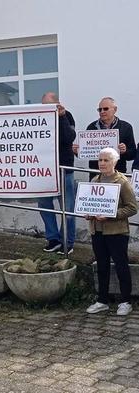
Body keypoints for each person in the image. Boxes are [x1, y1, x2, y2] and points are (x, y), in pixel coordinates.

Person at [86, 148, 137, 316]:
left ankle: (125, 301)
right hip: (97, 231)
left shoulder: (122, 182)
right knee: (101, 266)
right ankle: (102, 300)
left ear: (114, 162)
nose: (101, 163)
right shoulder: (94, 181)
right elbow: (89, 202)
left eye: (106, 160)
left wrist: (112, 215)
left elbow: (132, 208)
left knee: (121, 265)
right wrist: (88, 212)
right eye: (100, 160)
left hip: (117, 231)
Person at [38, 92, 77, 254]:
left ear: (57, 104)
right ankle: (53, 238)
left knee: (67, 208)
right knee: (44, 206)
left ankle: (67, 241)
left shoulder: (67, 116)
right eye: (43, 105)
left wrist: (61, 117)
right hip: (43, 171)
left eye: (48, 105)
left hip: (64, 170)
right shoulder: (38, 117)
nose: (45, 108)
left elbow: (69, 138)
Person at [73, 97, 136, 178]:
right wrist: (77, 151)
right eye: (100, 109)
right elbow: (86, 153)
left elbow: (132, 154)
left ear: (115, 109)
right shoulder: (91, 127)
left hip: (117, 175)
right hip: (96, 175)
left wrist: (125, 151)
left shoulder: (126, 127)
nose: (102, 112)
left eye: (105, 109)